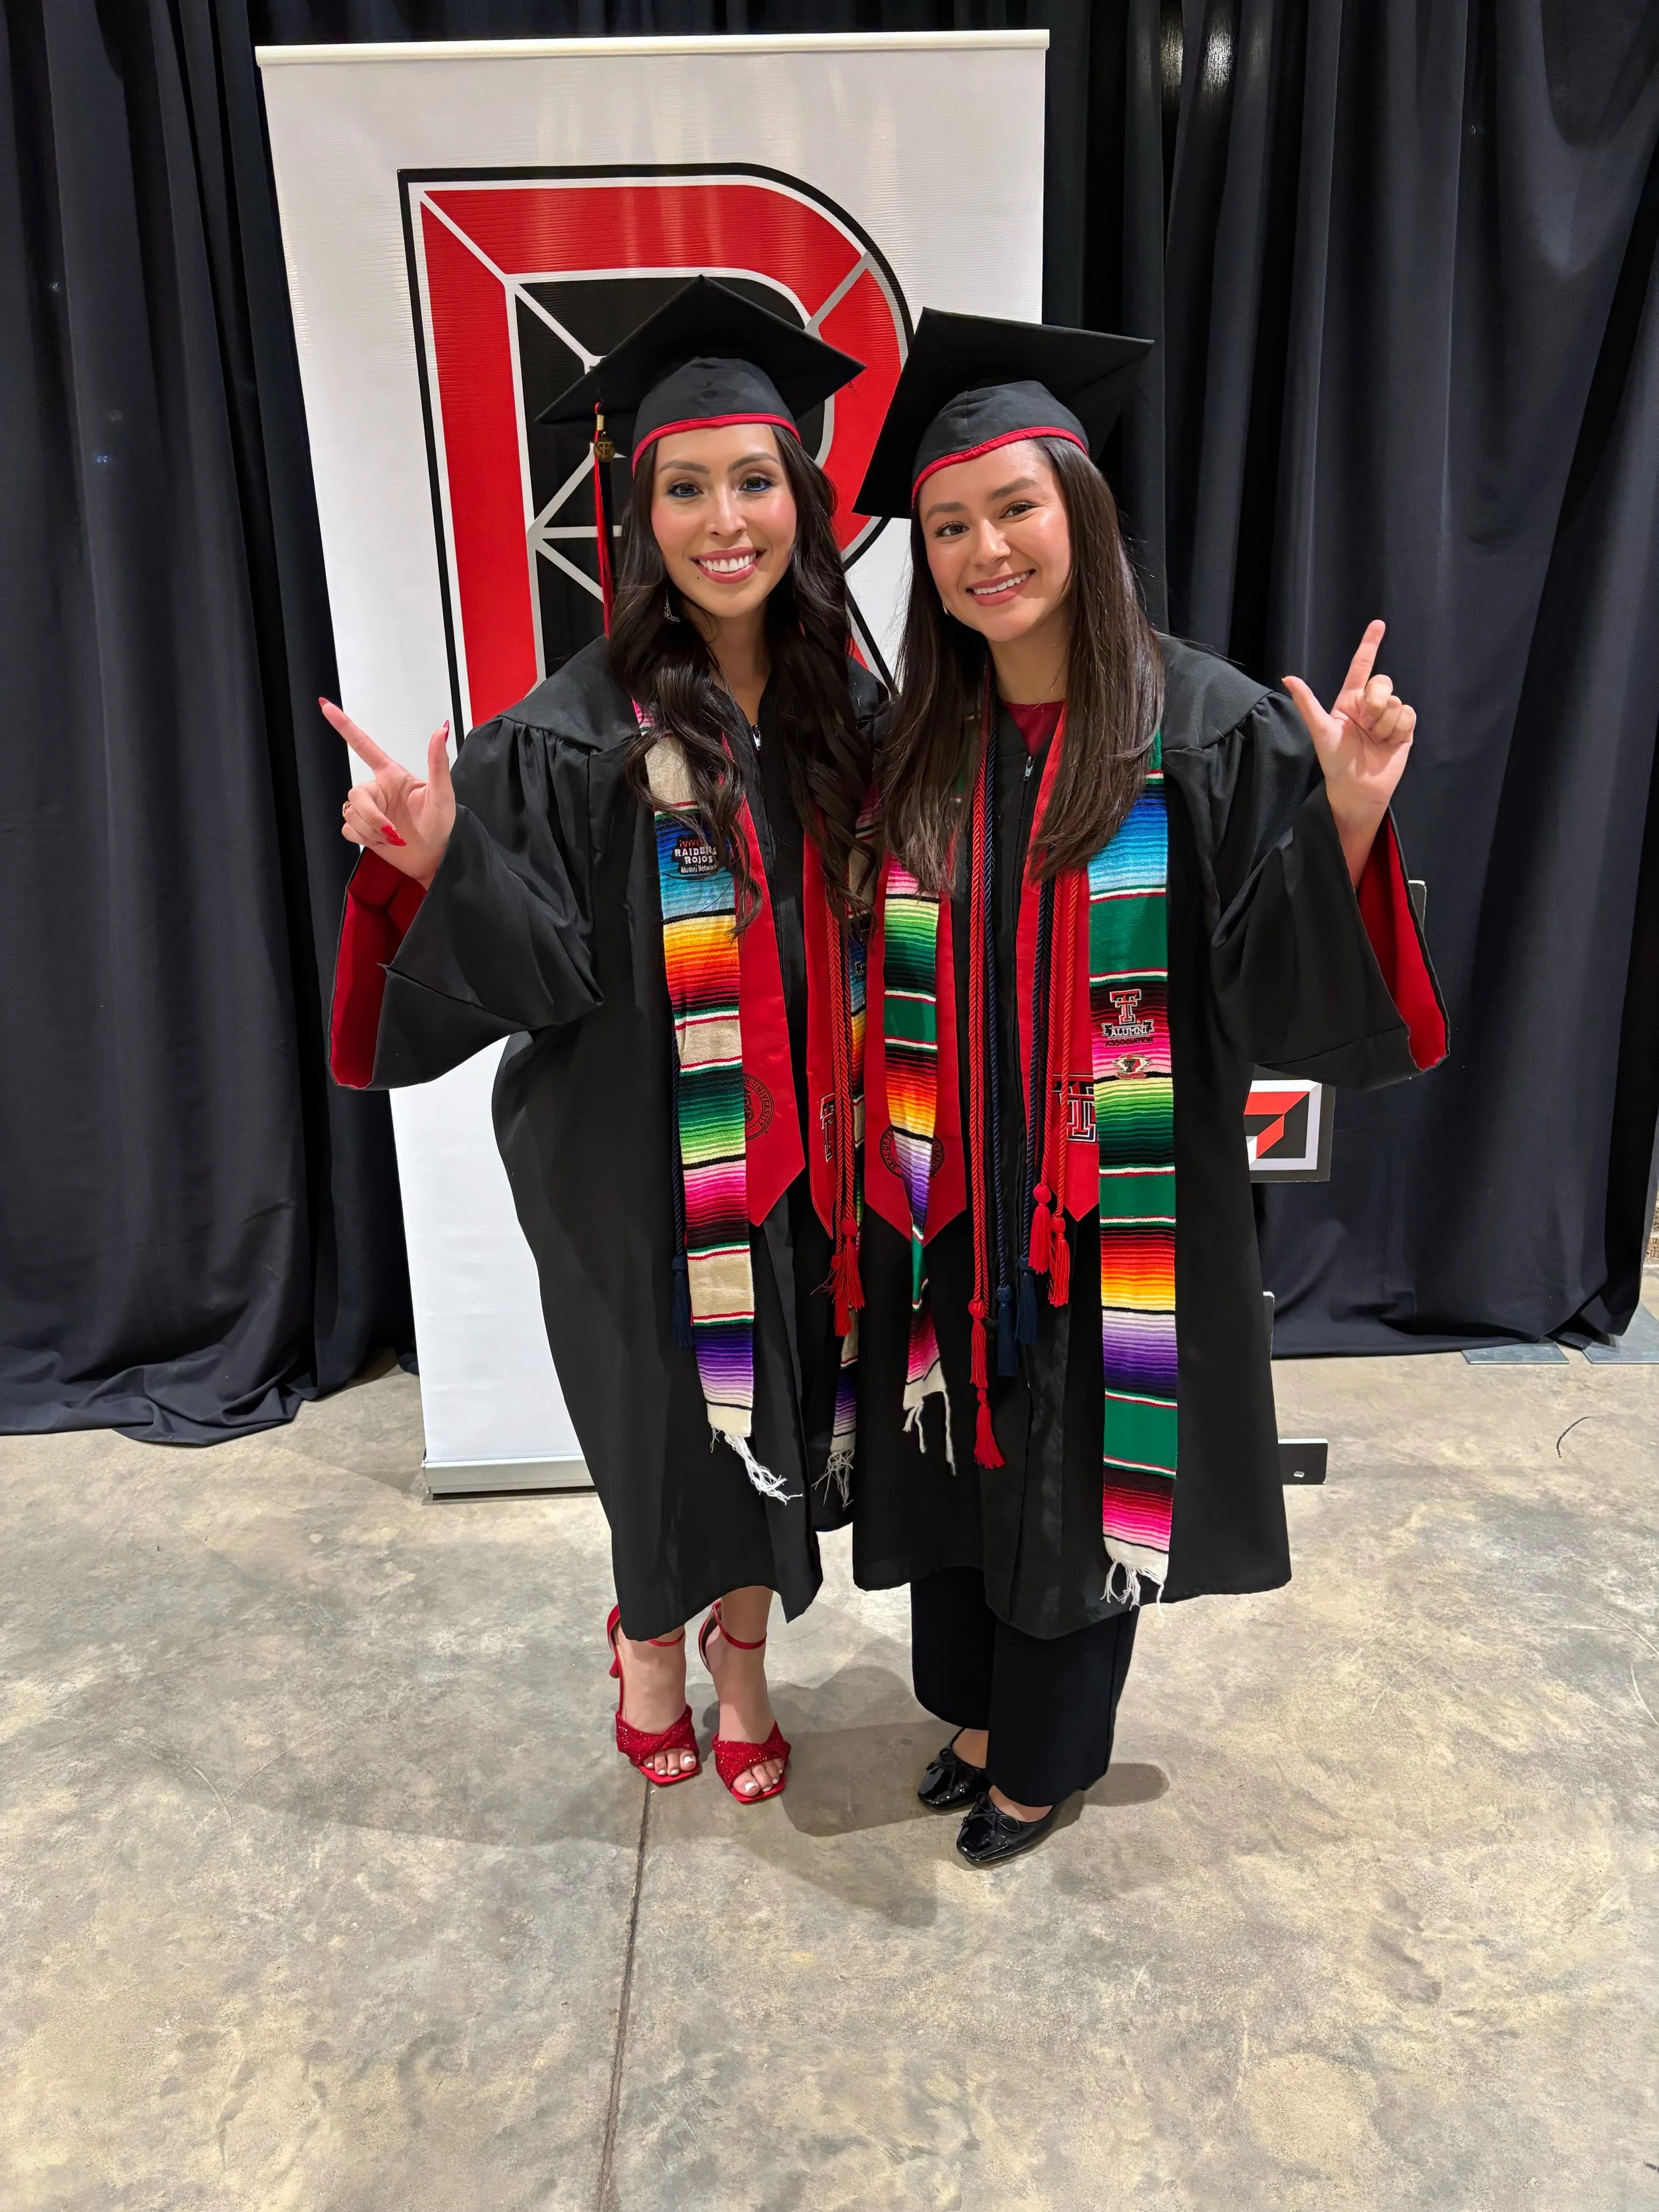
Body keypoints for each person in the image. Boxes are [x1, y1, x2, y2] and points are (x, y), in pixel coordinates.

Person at [851, 311, 1448, 1864]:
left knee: (1067, 1468)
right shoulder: (920, 735)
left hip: (1111, 1198)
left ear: (1080, 506)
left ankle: (1038, 1764)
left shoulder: (1200, 725)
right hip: (949, 1195)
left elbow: (1281, 985)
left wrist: (1348, 821)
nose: (987, 550)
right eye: (949, 526)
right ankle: (973, 1711)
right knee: (956, 1443)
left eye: (1015, 509)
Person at [326, 279, 883, 1803]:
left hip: (806, 1158)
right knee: (654, 1413)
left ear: (800, 500)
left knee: (784, 1388)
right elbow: (542, 970)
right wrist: (444, 856)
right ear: (637, 515)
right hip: (624, 1159)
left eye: (753, 482)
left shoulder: (852, 705)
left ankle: (744, 1652)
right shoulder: (574, 729)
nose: (725, 520)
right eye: (685, 488)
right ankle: (649, 1635)